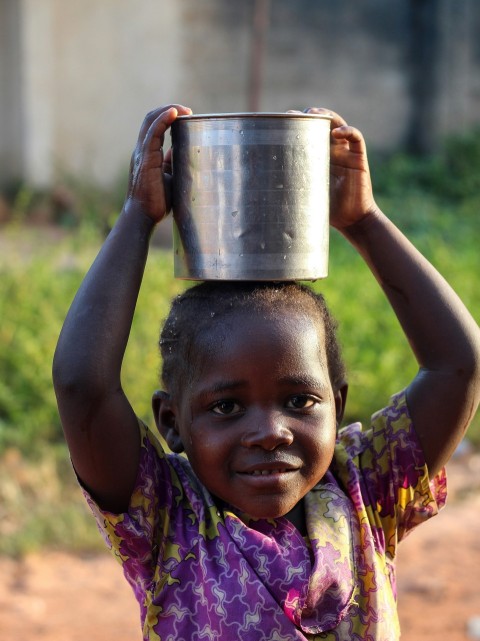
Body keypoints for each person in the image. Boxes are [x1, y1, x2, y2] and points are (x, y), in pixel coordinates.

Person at [52, 104, 480, 640]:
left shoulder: (362, 492)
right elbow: (82, 386)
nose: (270, 431)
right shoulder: (166, 517)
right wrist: (138, 216)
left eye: (299, 401)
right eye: (226, 407)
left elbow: (458, 365)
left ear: (338, 405)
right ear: (171, 421)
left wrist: (364, 221)